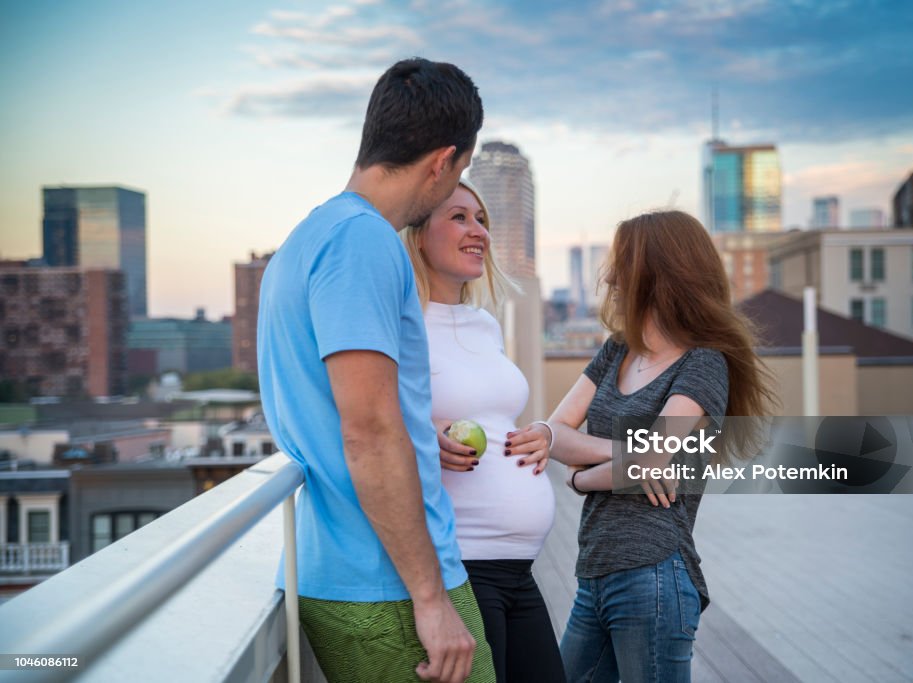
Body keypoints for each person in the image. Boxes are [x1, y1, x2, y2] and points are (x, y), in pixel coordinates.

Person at [257, 58, 496, 683]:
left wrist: (419, 437)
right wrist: (431, 599)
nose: (455, 187)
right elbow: (366, 429)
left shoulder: (307, 240)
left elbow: (346, 409)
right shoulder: (362, 242)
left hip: (352, 565)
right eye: (461, 173)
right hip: (386, 580)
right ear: (442, 161)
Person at [549, 210, 778, 683]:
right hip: (594, 572)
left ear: (657, 274)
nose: (609, 277)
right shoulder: (617, 350)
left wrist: (577, 476)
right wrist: (624, 459)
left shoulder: (703, 364)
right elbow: (554, 432)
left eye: (621, 263)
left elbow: (649, 458)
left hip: (652, 577)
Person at [399, 179, 567, 683]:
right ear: (418, 234)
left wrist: (542, 434)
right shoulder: (400, 324)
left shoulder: (484, 324)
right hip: (464, 567)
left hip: (519, 568)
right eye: (458, 217)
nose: (478, 232)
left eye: (482, 220)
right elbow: (369, 425)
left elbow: (493, 417)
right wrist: (422, 441)